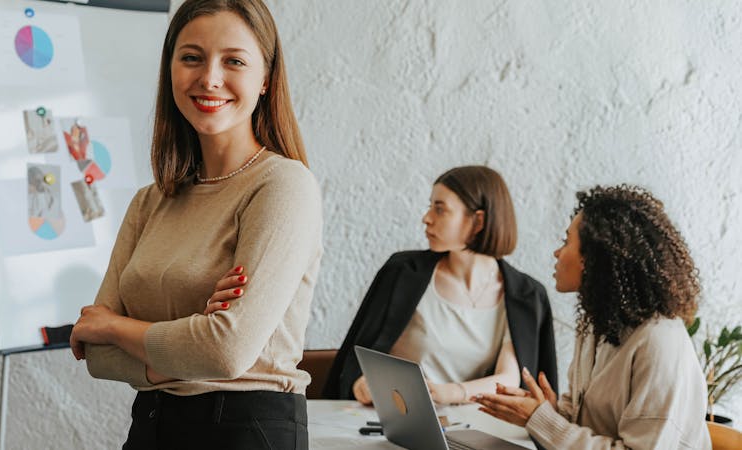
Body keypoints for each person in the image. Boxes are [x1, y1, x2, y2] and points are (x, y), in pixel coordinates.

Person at [68, 1, 322, 448]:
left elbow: (225, 351)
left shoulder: (283, 185)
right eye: (191, 57)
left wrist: (115, 327)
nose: (209, 78)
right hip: (152, 427)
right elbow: (97, 357)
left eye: (234, 61)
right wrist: (188, 342)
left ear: (265, 79)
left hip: (247, 431)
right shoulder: (150, 201)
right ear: (170, 71)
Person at [477, 185, 711, 449]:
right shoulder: (598, 324)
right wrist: (549, 412)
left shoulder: (659, 341)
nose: (557, 253)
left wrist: (540, 419)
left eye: (566, 242)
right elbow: (590, 424)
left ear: (594, 260)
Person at [322, 166, 558, 404]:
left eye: (440, 209)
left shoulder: (525, 295)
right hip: (393, 418)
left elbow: (509, 379)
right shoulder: (403, 272)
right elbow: (358, 358)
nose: (427, 218)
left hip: (474, 427)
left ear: (478, 221)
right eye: (430, 206)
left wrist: (448, 393)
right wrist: (361, 384)